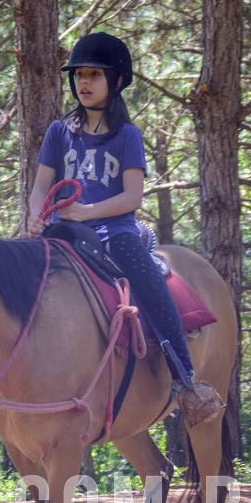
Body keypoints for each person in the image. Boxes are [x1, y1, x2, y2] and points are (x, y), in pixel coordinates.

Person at [27, 31, 224, 428]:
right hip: (64, 235)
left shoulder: (127, 137)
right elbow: (40, 188)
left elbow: (133, 197)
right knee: (15, 284)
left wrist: (89, 212)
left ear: (116, 81)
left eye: (94, 75)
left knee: (149, 280)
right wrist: (35, 216)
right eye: (79, 75)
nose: (83, 82)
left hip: (115, 235)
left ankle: (186, 378)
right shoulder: (58, 133)